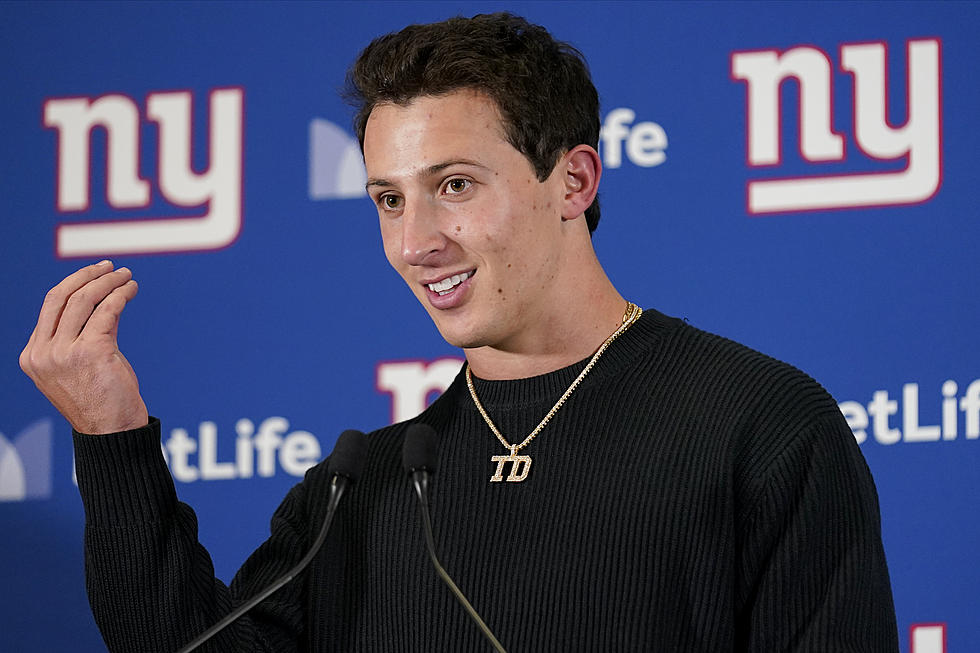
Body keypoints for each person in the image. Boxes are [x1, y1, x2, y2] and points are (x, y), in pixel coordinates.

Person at [20, 12, 899, 653]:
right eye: (389, 199)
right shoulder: (358, 496)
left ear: (575, 180)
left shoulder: (763, 427)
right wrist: (111, 435)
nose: (413, 243)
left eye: (455, 185)